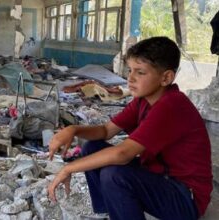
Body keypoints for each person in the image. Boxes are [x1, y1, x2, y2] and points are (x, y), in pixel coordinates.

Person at [47, 36, 212, 220]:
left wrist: (69, 168)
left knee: (115, 175)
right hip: (159, 177)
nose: (130, 78)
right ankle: (110, 212)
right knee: (91, 148)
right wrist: (73, 130)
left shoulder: (172, 105)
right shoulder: (143, 101)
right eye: (130, 70)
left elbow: (123, 154)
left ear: (166, 77)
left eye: (140, 72)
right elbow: (106, 131)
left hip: (185, 197)